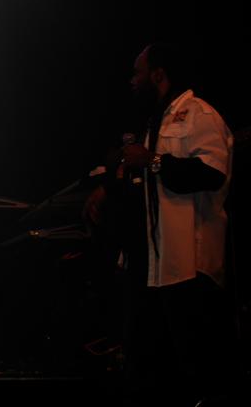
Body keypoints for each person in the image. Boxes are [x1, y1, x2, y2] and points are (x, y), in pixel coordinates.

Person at [85, 43, 234, 407]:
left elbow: (213, 173)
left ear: (158, 74)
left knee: (196, 369)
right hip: (154, 269)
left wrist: (153, 161)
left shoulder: (198, 114)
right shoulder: (155, 122)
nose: (132, 80)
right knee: (150, 373)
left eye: (138, 72)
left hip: (189, 267)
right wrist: (108, 188)